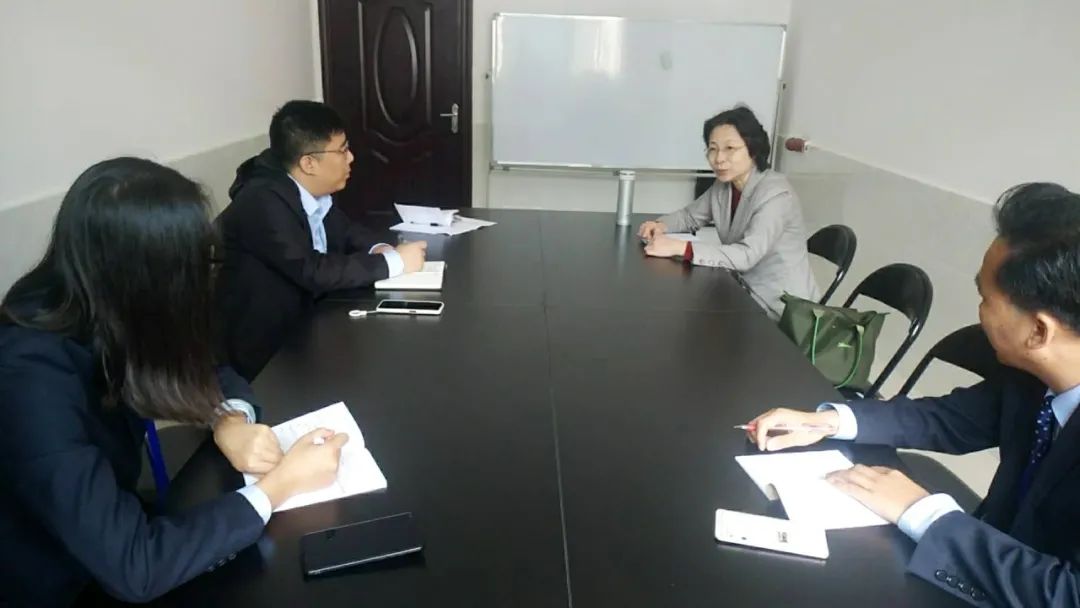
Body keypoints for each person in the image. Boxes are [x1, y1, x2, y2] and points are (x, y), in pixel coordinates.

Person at [0, 158, 349, 606]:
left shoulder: (101, 299)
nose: (204, 281)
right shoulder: (29, 380)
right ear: (151, 277)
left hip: (108, 530)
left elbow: (206, 368)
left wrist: (230, 419)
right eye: (195, 266)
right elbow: (136, 567)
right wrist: (279, 486)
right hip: (54, 580)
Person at [747, 182, 1080, 606]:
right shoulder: (1032, 378)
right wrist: (830, 421)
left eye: (984, 297)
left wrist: (921, 511)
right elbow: (950, 418)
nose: (978, 312)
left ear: (1038, 331)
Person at [215, 100, 428, 380]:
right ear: (309, 163)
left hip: (310, 323)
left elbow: (345, 230)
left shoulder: (307, 187)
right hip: (267, 352)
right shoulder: (262, 201)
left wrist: (381, 248)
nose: (351, 158)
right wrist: (394, 262)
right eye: (342, 150)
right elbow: (312, 270)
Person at [638, 106, 819, 317]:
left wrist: (681, 247)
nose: (718, 159)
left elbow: (747, 255)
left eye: (730, 148)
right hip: (742, 292)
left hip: (782, 308)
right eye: (712, 149)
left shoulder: (776, 195)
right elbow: (689, 216)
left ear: (753, 149)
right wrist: (659, 225)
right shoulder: (725, 185)